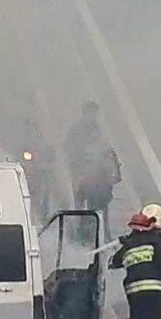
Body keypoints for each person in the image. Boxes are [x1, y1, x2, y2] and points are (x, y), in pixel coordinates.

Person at [65, 101, 122, 237]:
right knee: (84, 205)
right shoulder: (76, 131)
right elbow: (70, 151)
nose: (94, 116)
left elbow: (107, 152)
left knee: (101, 205)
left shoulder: (98, 130)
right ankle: (85, 232)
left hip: (98, 178)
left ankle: (103, 231)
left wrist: (112, 174)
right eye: (92, 113)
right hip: (85, 176)